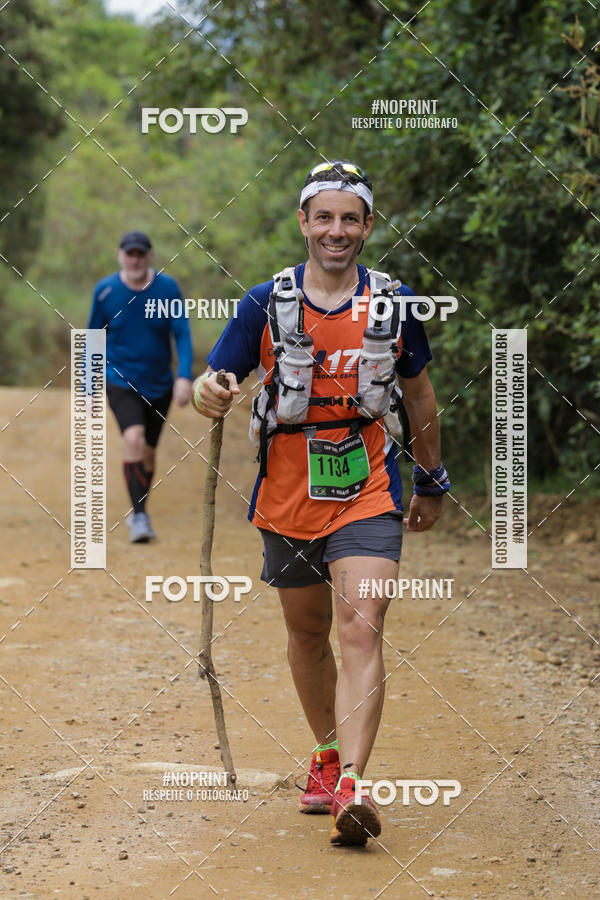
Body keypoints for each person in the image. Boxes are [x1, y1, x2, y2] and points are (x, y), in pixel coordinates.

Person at [191, 161, 450, 846]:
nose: (337, 230)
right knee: (307, 634)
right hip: (287, 492)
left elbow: (419, 396)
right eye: (324, 217)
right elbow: (215, 378)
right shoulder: (263, 303)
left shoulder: (394, 304)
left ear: (367, 226)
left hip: (369, 486)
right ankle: (327, 755)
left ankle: (352, 789)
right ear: (304, 222)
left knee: (361, 626)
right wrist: (207, 392)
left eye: (351, 218)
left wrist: (431, 478)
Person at [88, 231, 193, 542]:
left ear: (149, 256)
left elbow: (182, 335)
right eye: (129, 254)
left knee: (148, 450)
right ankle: (139, 517)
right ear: (120, 255)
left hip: (159, 383)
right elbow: (93, 336)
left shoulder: (167, 288)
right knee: (133, 438)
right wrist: (89, 387)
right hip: (119, 379)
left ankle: (140, 509)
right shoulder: (106, 290)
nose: (134, 259)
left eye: (140, 254)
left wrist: (184, 376)